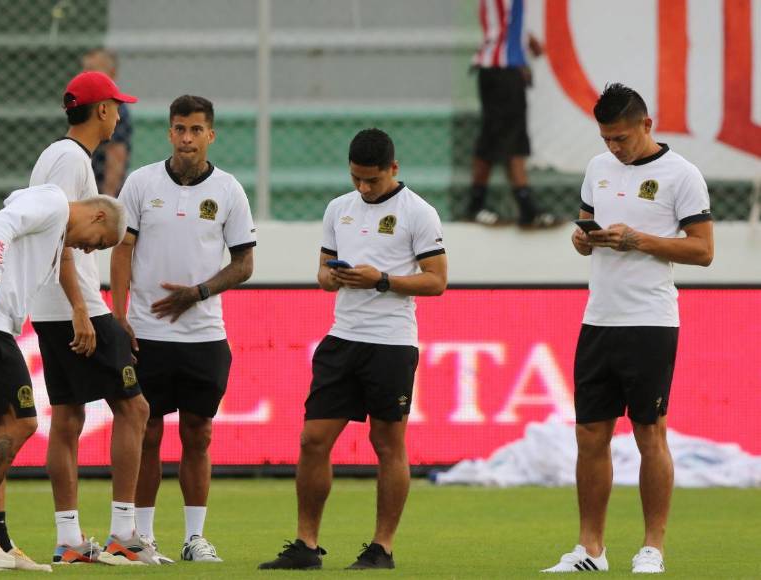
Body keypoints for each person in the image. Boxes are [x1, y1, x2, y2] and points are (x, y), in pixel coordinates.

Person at [542, 83, 714, 574]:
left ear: (646, 125)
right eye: (606, 139)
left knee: (648, 432)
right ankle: (590, 549)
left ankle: (652, 547)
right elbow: (587, 231)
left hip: (650, 322)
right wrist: (583, 240)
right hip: (599, 319)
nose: (614, 148)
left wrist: (639, 240)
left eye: (621, 138)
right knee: (590, 436)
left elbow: (702, 250)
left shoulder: (682, 175)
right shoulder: (597, 169)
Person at [259, 128, 448, 571]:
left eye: (372, 181)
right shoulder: (338, 209)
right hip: (343, 338)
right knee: (312, 440)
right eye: (356, 179)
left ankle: (382, 547)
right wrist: (334, 278)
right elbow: (323, 273)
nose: (363, 188)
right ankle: (306, 545)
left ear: (393, 170)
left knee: (387, 444)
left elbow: (437, 280)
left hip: (391, 344)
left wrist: (381, 279)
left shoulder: (418, 212)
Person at [0, 184, 126, 572]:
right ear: (97, 216)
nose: (91, 250)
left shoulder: (54, 237)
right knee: (24, 421)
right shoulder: (53, 202)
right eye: (99, 243)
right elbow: (0, 222)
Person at [111, 94, 256, 563]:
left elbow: (244, 263)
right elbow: (121, 250)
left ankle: (195, 538)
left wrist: (199, 292)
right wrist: (119, 313)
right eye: (179, 128)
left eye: (196, 130)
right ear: (169, 132)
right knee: (148, 431)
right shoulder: (140, 183)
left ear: (211, 134)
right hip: (147, 333)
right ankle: (143, 536)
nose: (187, 138)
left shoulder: (229, 190)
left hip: (204, 334)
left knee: (199, 433)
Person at [29, 71, 163, 565]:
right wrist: (84, 309)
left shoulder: (54, 155)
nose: (120, 114)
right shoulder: (71, 161)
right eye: (116, 105)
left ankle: (69, 540)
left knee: (68, 416)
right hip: (73, 303)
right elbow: (62, 236)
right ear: (102, 109)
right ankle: (124, 535)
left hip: (51, 305)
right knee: (135, 408)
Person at [467, 0, 555, 228]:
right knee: (510, 138)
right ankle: (525, 207)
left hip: (498, 68)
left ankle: (478, 203)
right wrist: (518, 53)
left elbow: (508, 21)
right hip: (504, 70)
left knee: (495, 136)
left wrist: (525, 41)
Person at [82, 48, 134, 197]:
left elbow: (116, 156)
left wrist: (106, 199)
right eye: (84, 69)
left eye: (91, 70)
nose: (85, 75)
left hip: (100, 194)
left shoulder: (115, 110)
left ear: (112, 75)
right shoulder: (86, 106)